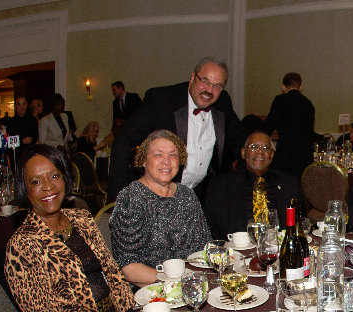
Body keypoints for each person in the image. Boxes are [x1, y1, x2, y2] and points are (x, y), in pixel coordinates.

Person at [4, 144, 150, 312]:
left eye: (54, 176)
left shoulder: (81, 219)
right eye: (36, 181)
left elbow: (114, 277)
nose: (48, 187)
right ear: (25, 189)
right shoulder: (22, 247)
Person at [107, 57, 246, 202]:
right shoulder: (161, 101)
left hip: (200, 196)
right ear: (193, 77)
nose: (209, 90)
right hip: (156, 195)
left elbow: (241, 142)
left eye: (217, 86)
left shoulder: (223, 103)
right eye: (205, 81)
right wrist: (119, 197)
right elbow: (123, 140)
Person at [111, 130, 211, 288]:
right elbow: (128, 267)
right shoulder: (131, 198)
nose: (166, 161)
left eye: (173, 155)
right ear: (143, 160)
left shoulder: (186, 194)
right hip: (151, 291)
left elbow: (205, 247)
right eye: (158, 154)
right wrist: (175, 282)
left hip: (192, 284)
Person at [204, 131, 301, 238]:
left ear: (272, 155)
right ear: (243, 153)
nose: (260, 152)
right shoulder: (221, 185)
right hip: (237, 250)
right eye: (254, 147)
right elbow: (210, 227)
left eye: (265, 148)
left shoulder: (289, 183)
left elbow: (298, 223)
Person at [264, 72, 316, 179]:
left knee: (284, 188)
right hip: (305, 156)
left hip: (285, 155)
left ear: (284, 87)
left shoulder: (280, 101)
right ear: (300, 86)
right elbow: (309, 132)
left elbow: (268, 127)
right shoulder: (308, 104)